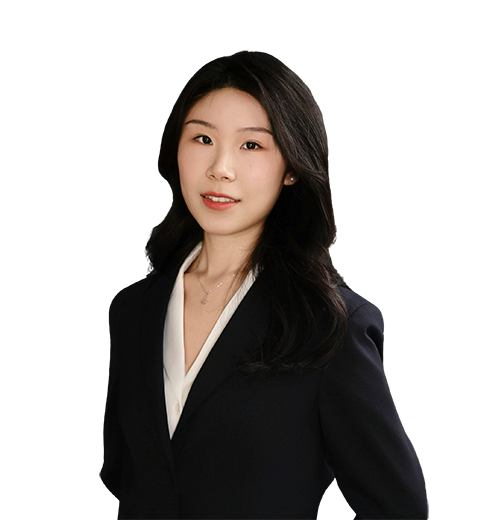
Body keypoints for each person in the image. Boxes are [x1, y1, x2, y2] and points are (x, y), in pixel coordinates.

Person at [102, 52, 428, 519]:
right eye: (202, 138)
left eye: (251, 145)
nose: (221, 168)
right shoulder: (134, 310)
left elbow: (399, 507)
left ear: (291, 167)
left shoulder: (329, 326)